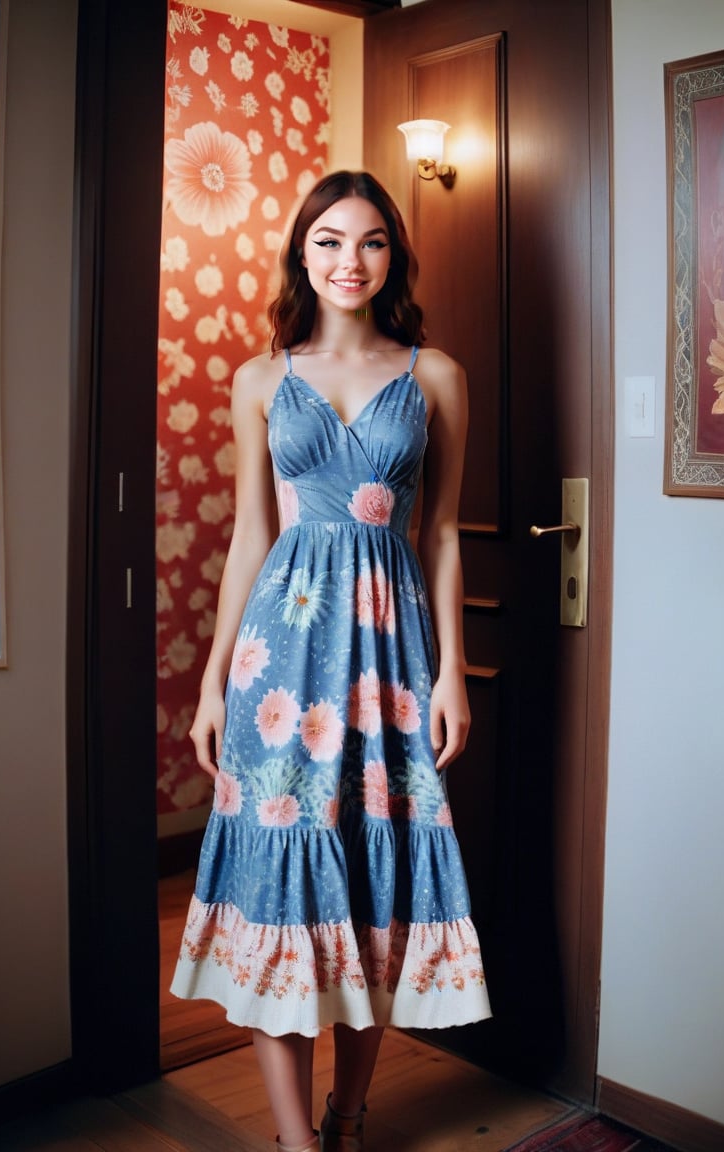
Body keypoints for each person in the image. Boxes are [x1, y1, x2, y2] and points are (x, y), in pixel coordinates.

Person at [171, 170, 491, 1152]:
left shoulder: (434, 375)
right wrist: (217, 677)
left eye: (371, 243)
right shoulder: (260, 381)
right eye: (329, 242)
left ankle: (347, 1117)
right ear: (301, 256)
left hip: (390, 659)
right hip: (282, 665)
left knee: (370, 885)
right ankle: (294, 1146)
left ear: (393, 258)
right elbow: (249, 537)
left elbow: (439, 535)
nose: (349, 261)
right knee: (281, 884)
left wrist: (452, 671)